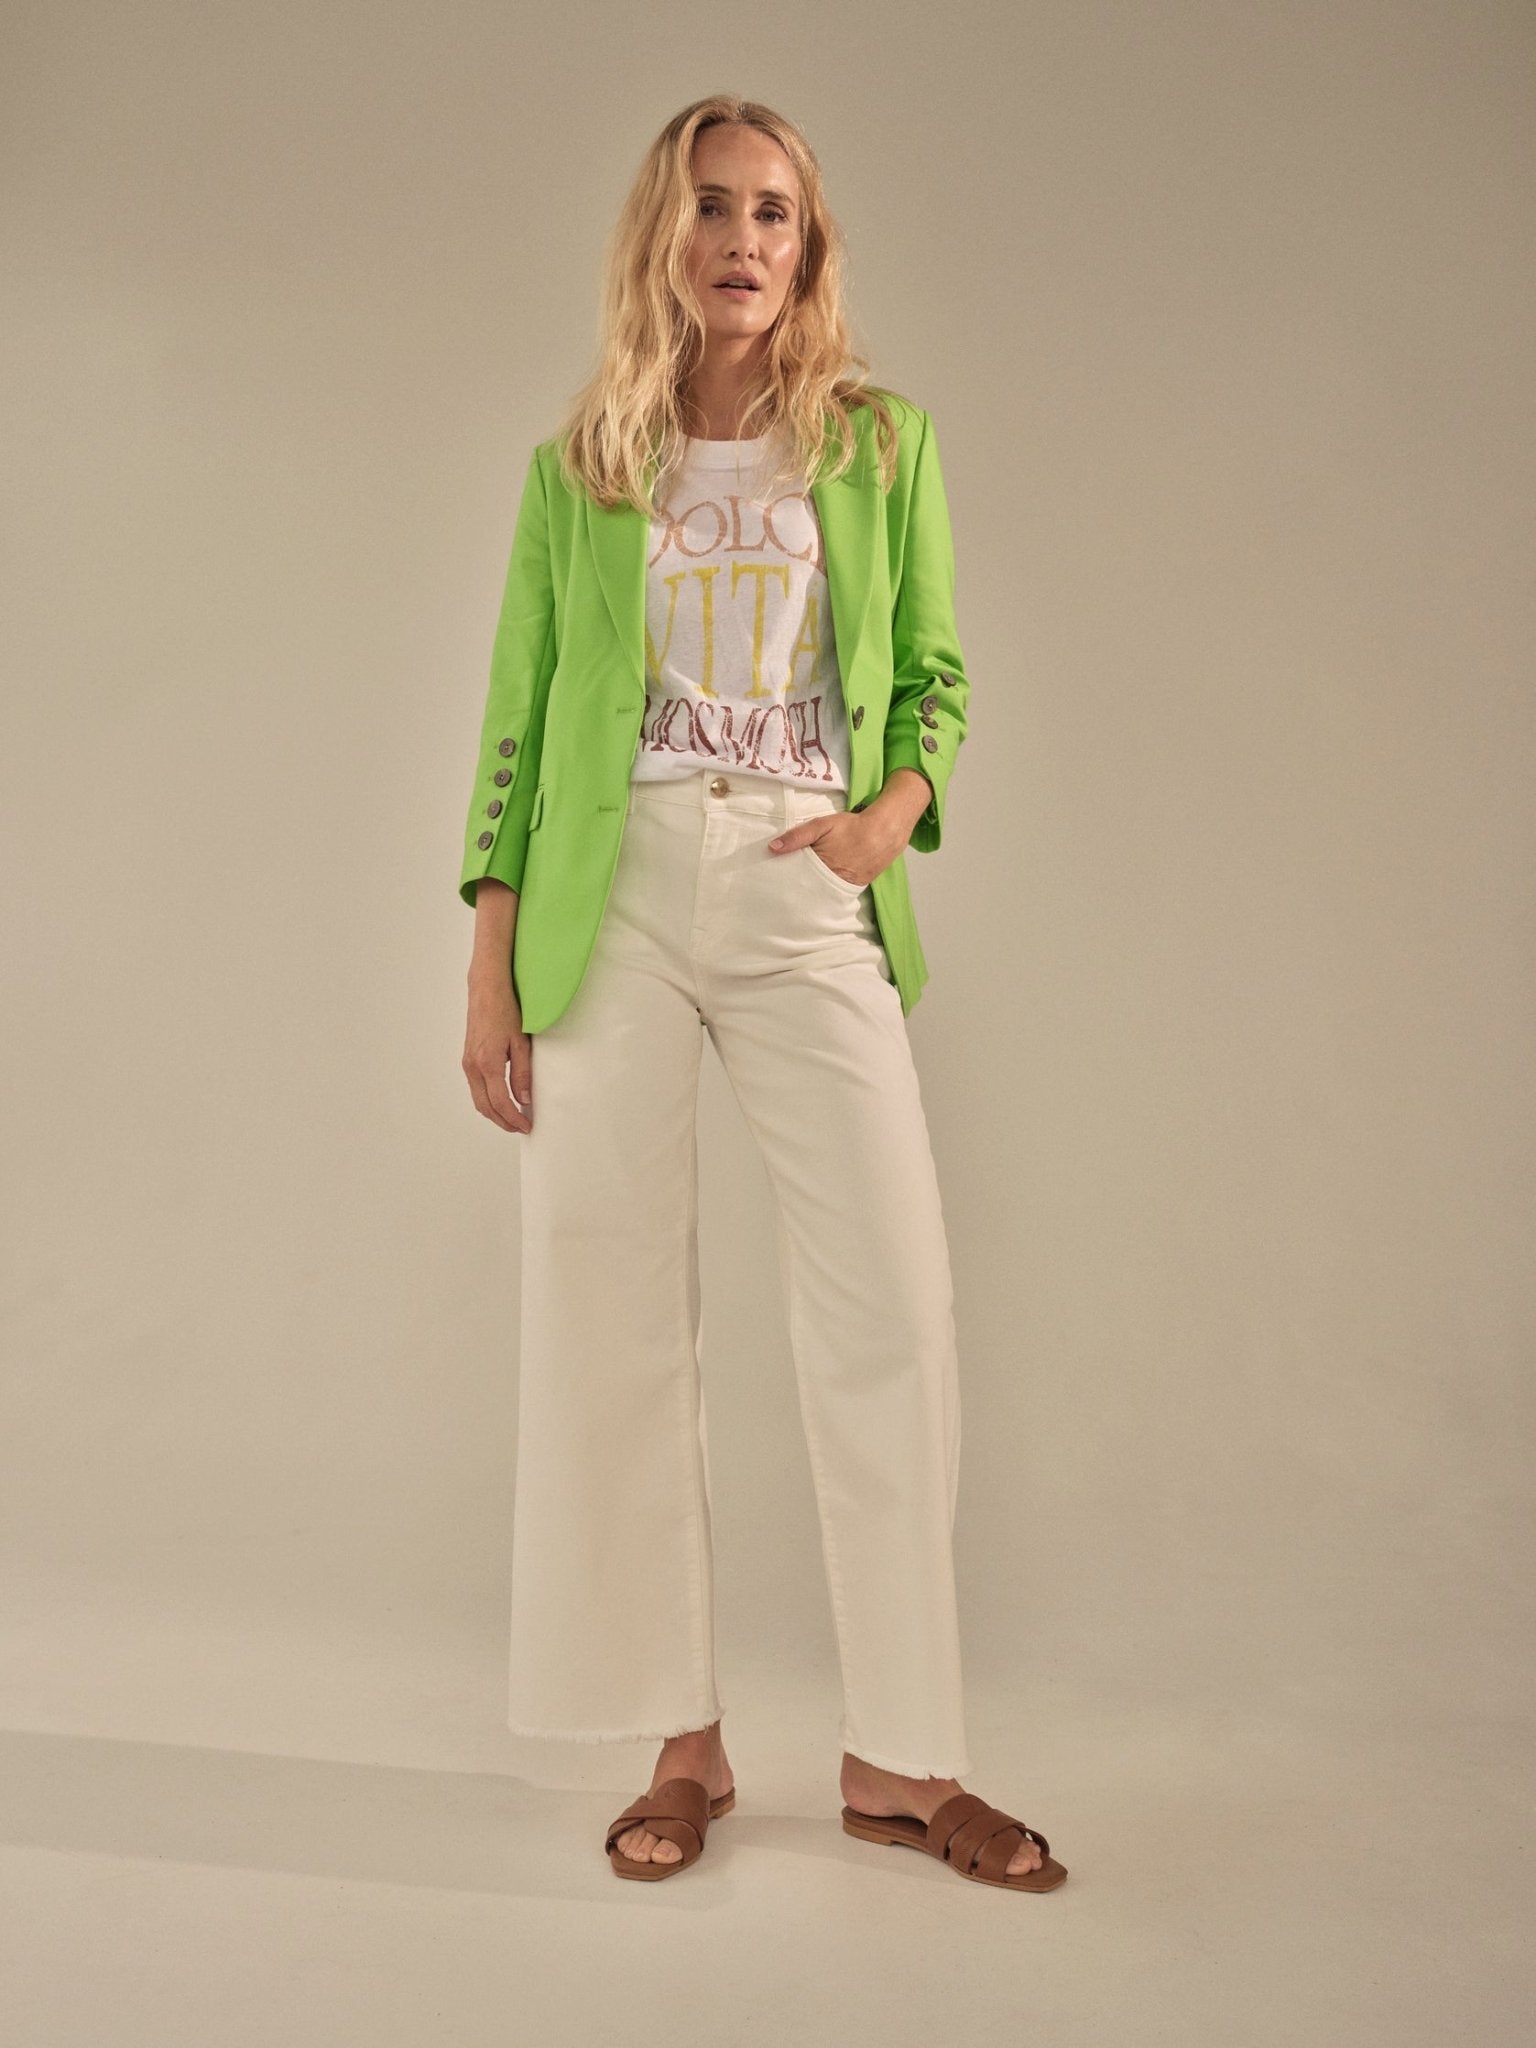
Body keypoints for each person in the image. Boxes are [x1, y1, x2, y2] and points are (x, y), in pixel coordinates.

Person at [458, 92, 1066, 1894]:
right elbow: (514, 728)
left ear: (809, 248)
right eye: (714, 207)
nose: (742, 239)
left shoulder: (878, 444)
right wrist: (489, 963)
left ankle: (904, 1758)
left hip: (807, 883)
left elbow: (936, 674)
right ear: (666, 235)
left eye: (775, 213)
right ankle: (681, 1743)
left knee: (895, 1300)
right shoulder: (581, 467)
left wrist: (887, 818)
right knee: (613, 1313)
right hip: (616, 895)